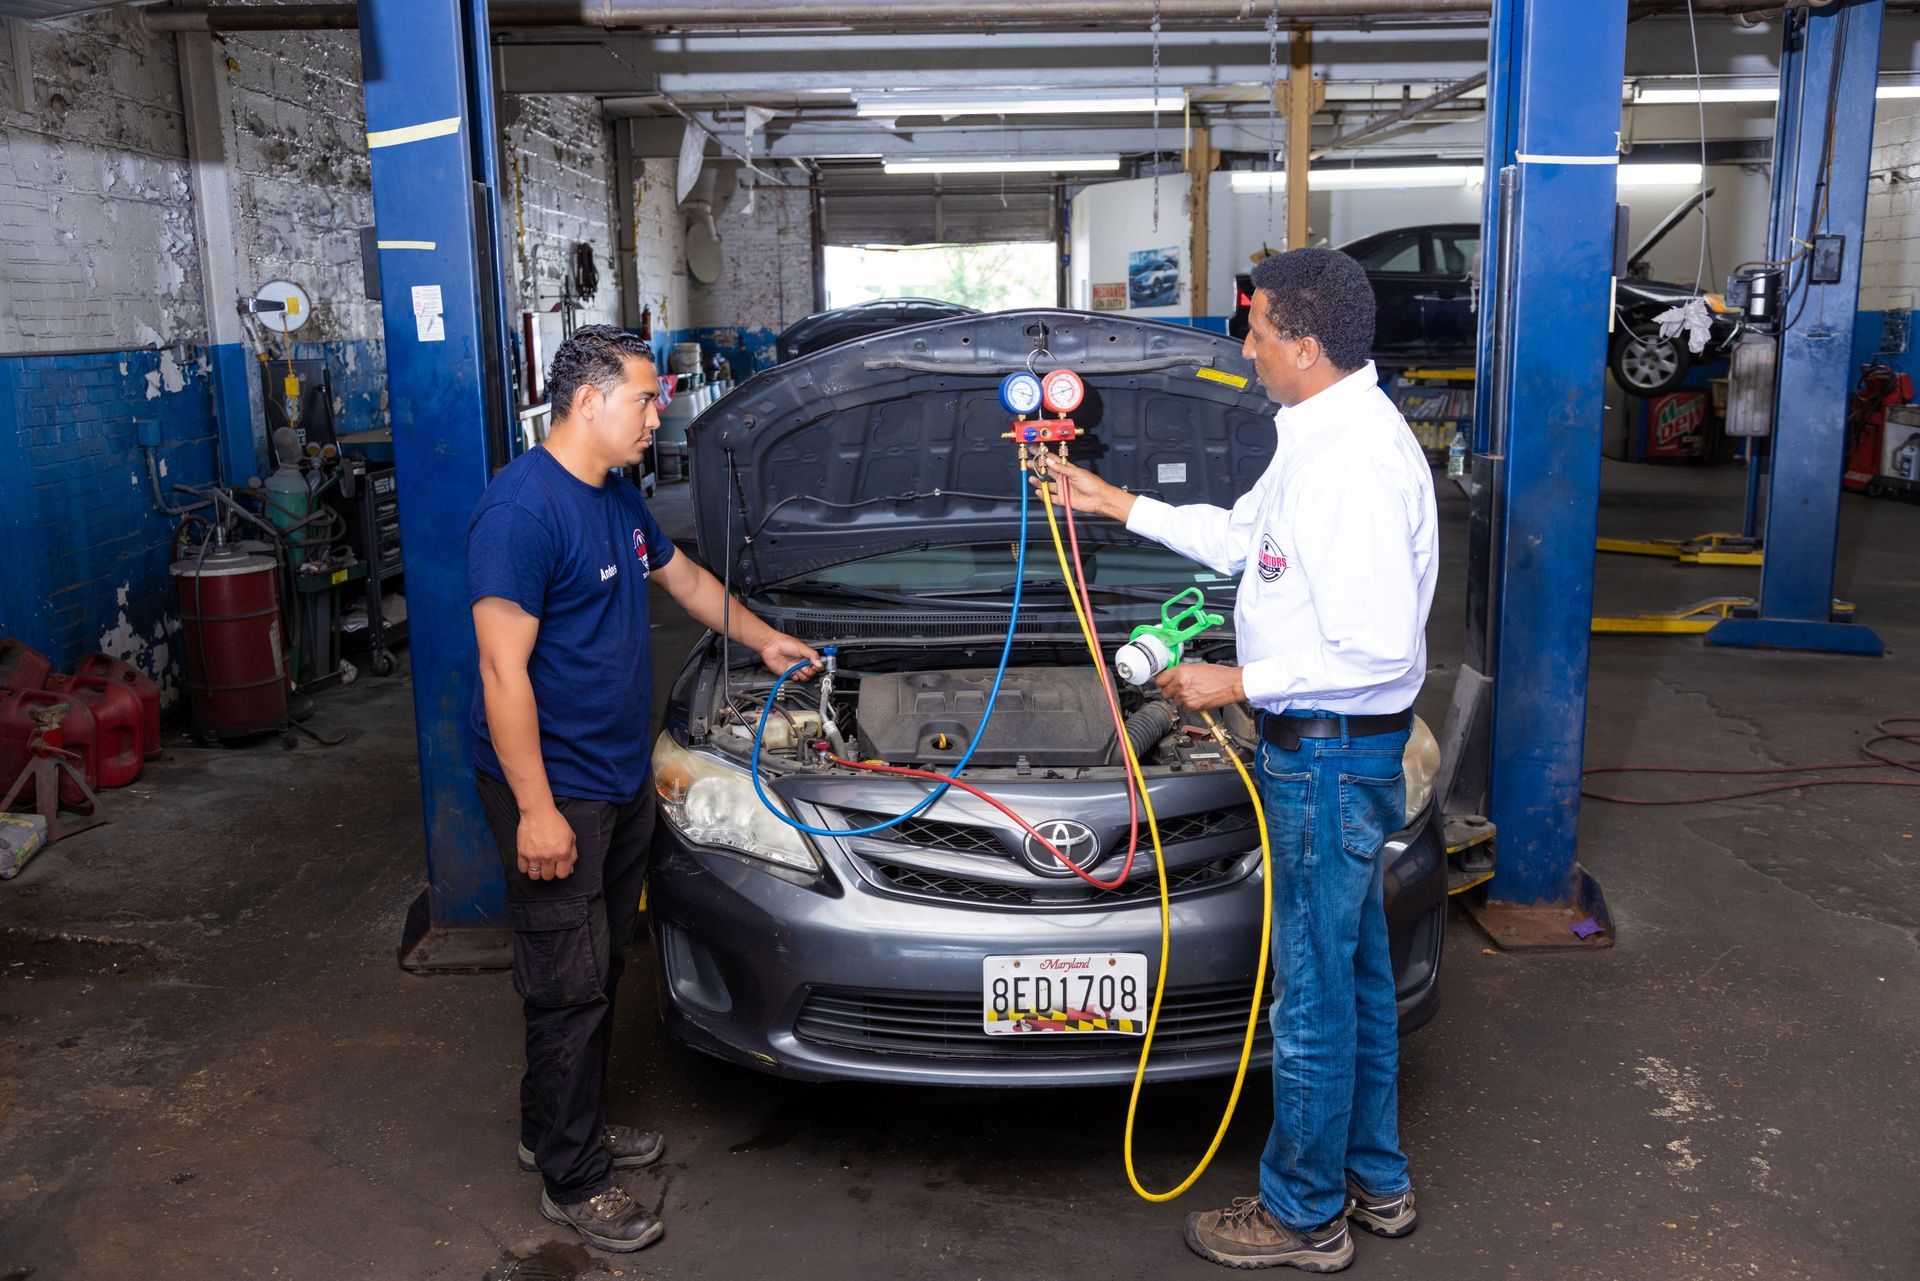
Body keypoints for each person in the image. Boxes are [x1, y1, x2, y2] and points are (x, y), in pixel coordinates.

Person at [1034, 248, 1438, 1272]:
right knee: (1352, 971)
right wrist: (1112, 502)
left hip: (1329, 759)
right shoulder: (1322, 433)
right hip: (1335, 754)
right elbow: (1244, 541)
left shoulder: (1351, 463)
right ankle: (1376, 1180)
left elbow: (1379, 646)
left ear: (1303, 345)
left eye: (1257, 334)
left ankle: (1304, 1214)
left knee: (1309, 991)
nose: (1247, 349)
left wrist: (1234, 683)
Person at [468, 325, 819, 1253]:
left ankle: (556, 1123)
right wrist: (537, 809)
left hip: (617, 770)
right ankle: (572, 1177)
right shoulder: (521, 511)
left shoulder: (616, 494)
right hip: (557, 784)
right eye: (645, 398)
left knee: (599, 960)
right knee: (568, 979)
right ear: (588, 402)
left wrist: (763, 638)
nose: (657, 414)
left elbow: (687, 579)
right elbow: (503, 675)